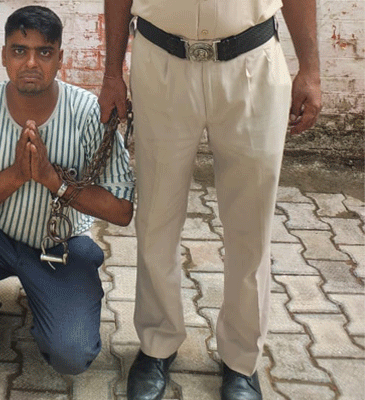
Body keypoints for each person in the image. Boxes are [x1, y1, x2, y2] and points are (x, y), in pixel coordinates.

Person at [98, 0, 322, 399]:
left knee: (250, 226)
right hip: (162, 61)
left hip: (251, 63)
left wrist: (311, 70)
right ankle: (157, 343)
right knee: (157, 218)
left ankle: (241, 359)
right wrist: (112, 73)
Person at [0, 5, 135, 377]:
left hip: (61, 246)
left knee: (71, 354)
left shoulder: (88, 113)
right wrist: (17, 175)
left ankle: (51, 301)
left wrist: (54, 181)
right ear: (4, 56)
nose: (31, 62)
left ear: (60, 59)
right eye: (20, 51)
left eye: (44, 52)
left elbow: (122, 210)